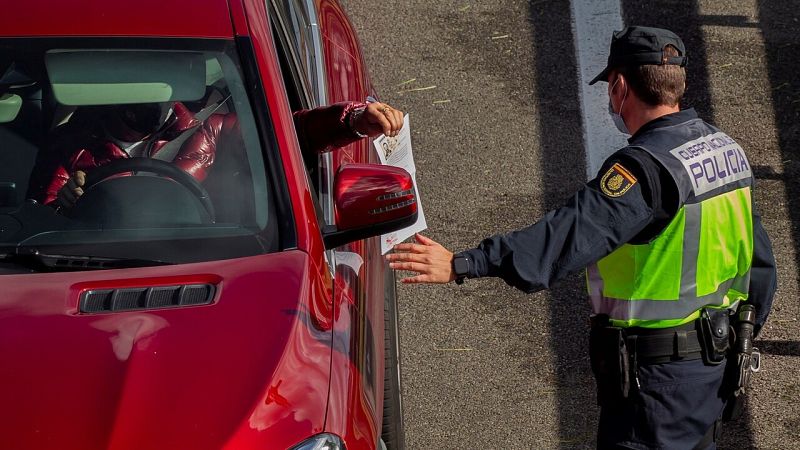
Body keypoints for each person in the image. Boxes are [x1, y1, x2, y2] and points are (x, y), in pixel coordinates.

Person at [386, 26, 777, 449]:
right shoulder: (725, 150)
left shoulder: (645, 170)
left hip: (658, 384)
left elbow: (569, 234)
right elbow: (760, 266)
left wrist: (465, 263)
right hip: (713, 366)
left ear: (620, 87)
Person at [27, 99, 404, 211]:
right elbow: (39, 227)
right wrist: (65, 205)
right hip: (97, 265)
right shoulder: (69, 145)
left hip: (194, 257)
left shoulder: (207, 128)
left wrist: (352, 120)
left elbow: (291, 134)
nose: (150, 105)